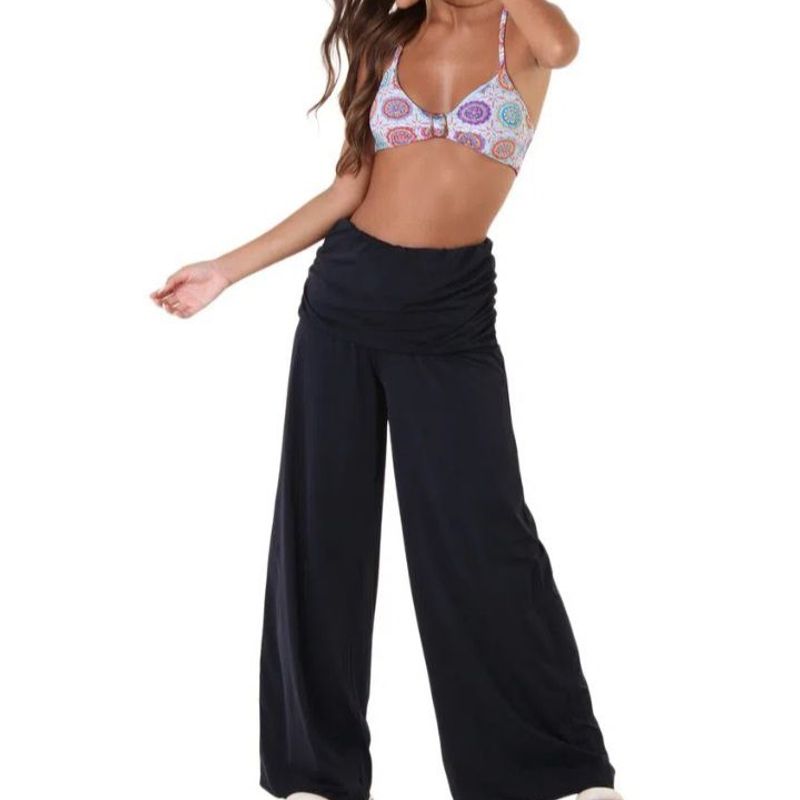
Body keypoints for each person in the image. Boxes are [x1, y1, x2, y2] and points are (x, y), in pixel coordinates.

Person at [150, 2, 623, 799]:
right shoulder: (393, 38)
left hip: (450, 316)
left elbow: (564, 45)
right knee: (321, 532)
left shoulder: (520, 33)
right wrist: (226, 270)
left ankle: (552, 775)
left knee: (485, 538)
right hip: (345, 301)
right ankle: (313, 774)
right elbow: (350, 187)